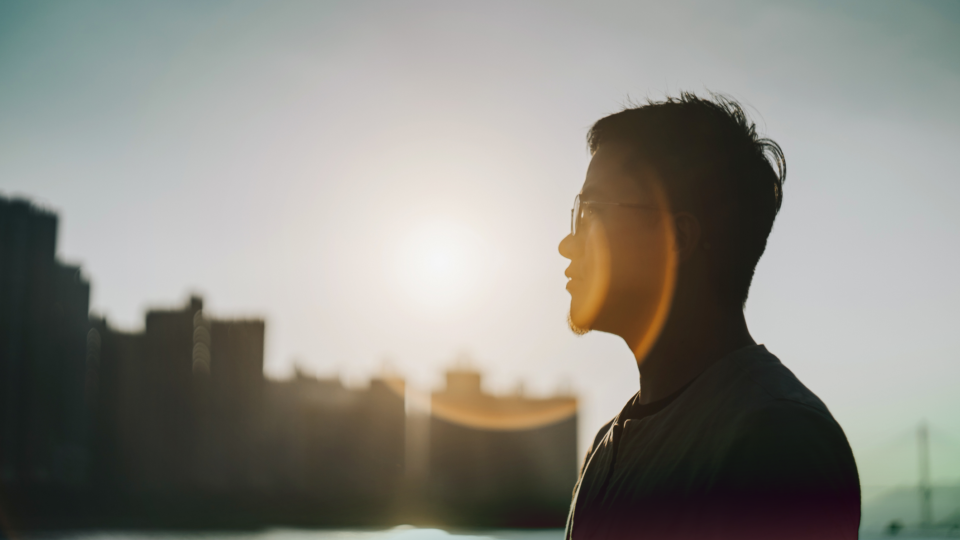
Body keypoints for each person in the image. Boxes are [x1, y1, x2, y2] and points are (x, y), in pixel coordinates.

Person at [558, 93, 860, 539]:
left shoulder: (778, 440)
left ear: (676, 238)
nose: (569, 244)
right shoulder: (606, 449)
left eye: (593, 213)